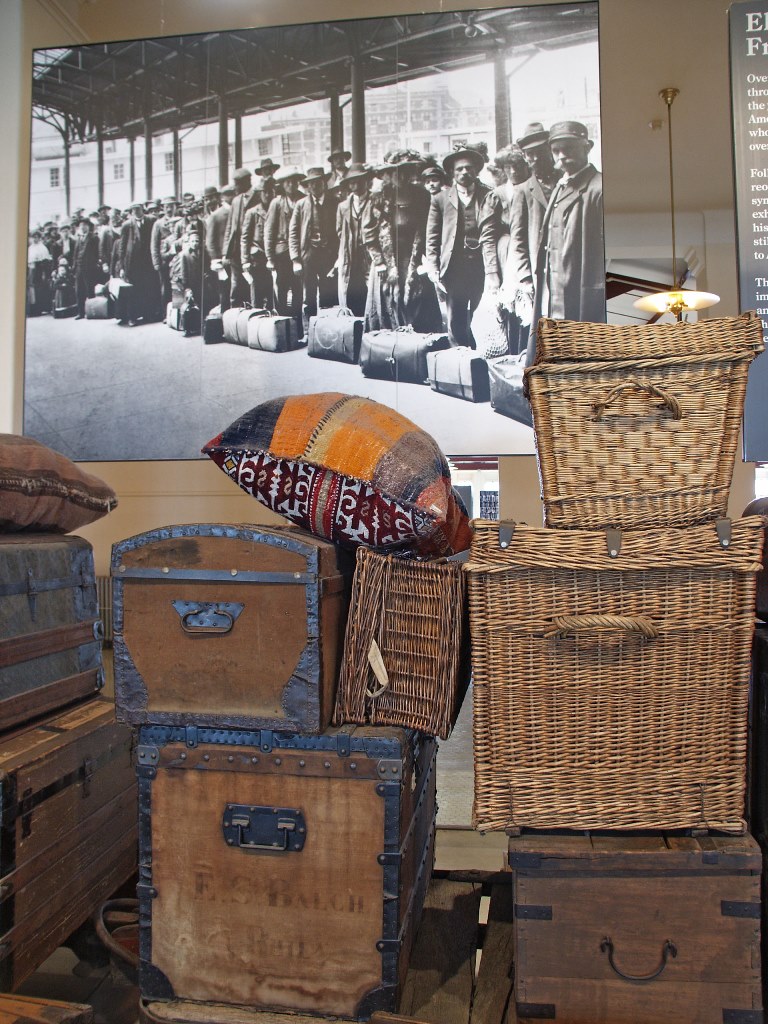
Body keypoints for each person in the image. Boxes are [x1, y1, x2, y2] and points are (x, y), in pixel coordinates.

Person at [530, 120, 604, 358]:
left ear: (587, 147)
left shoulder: (599, 187)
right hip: (556, 288)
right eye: (556, 151)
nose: (561, 156)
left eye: (569, 148)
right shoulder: (561, 187)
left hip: (581, 288)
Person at [425, 144, 498, 348]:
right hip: (454, 267)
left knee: (479, 312)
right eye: (459, 169)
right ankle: (458, 356)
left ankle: (480, 354)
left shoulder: (488, 194)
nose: (464, 172)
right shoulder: (440, 199)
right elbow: (432, 235)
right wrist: (434, 266)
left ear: (476, 170)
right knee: (455, 314)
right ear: (452, 173)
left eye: (468, 168)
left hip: (480, 266)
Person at [363, 149, 437, 333]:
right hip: (386, 261)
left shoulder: (421, 195)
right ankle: (387, 347)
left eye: (406, 172)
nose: (402, 177)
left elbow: (426, 228)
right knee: (388, 300)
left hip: (412, 257)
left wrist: (422, 260)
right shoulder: (378, 198)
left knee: (416, 299)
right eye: (397, 172)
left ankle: (417, 345)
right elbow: (369, 232)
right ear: (388, 174)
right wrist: (380, 262)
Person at [288, 166, 338, 328]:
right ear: (307, 186)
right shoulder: (301, 205)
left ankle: (327, 326)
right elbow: (293, 232)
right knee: (309, 291)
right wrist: (295, 259)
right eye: (311, 184)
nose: (315, 186)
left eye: (318, 182)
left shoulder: (334, 202)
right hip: (309, 252)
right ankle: (310, 326)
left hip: (329, 253)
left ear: (324, 183)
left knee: (329, 288)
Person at [265, 166, 304, 333]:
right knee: (281, 288)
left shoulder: (304, 199)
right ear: (283, 184)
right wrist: (270, 257)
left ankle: (297, 327)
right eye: (287, 182)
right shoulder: (277, 203)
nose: (291, 185)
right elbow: (269, 230)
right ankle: (282, 327)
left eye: (294, 181)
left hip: (300, 252)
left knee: (298, 290)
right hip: (281, 253)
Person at [335, 162, 373, 315]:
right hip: (350, 255)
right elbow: (339, 231)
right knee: (351, 289)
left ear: (366, 181)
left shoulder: (375, 201)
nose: (355, 184)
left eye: (359, 180)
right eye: (352, 181)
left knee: (371, 289)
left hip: (369, 254)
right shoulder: (343, 206)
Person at [222, 167, 258, 308]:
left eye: (237, 183)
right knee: (236, 287)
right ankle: (235, 318)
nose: (234, 187)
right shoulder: (236, 201)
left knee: (254, 285)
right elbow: (230, 228)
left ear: (246, 182)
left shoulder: (258, 197)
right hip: (236, 251)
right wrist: (226, 252)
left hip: (253, 250)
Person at [119, 199, 160, 324]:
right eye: (133, 209)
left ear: (143, 209)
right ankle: (132, 317)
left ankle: (149, 315)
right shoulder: (127, 225)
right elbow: (122, 246)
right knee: (133, 291)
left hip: (147, 262)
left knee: (148, 289)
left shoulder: (151, 221)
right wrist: (122, 266)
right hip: (133, 264)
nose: (136, 211)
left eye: (138, 208)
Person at [241, 176, 275, 309]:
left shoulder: (276, 209)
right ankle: (256, 321)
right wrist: (245, 260)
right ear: (260, 194)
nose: (267, 195)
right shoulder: (252, 212)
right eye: (264, 192)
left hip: (274, 258)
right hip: (257, 259)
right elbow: (245, 238)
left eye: (270, 191)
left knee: (274, 294)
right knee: (257, 295)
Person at [203, 185, 231, 312]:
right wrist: (216, 260)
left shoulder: (234, 211)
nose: (209, 201)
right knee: (224, 290)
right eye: (207, 199)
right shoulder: (215, 216)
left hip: (235, 258)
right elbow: (210, 242)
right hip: (221, 260)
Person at [151, 196, 180, 309]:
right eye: (166, 206)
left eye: (171, 206)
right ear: (163, 208)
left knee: (179, 284)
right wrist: (156, 262)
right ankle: (165, 313)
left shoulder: (180, 220)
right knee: (165, 286)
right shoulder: (158, 224)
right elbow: (154, 244)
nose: (169, 209)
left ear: (175, 207)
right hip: (164, 259)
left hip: (177, 258)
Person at [72, 216, 99, 319]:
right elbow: (75, 253)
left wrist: (96, 264)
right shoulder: (78, 238)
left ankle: (92, 312)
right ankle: (80, 313)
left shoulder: (93, 238)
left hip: (90, 268)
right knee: (79, 291)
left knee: (90, 289)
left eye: (85, 225)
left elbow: (97, 252)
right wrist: (74, 266)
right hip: (79, 268)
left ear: (88, 227)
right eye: (81, 226)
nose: (83, 227)